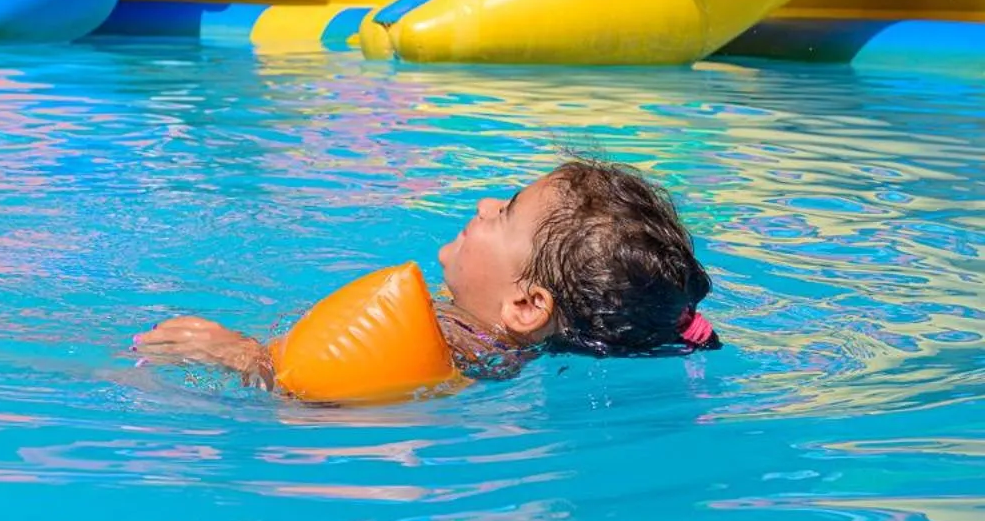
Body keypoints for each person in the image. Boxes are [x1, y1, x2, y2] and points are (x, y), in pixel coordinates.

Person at [133, 157, 718, 389]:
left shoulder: (452, 344)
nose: (487, 204)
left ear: (526, 305)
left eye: (507, 212)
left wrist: (244, 358)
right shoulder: (492, 340)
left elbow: (319, 394)